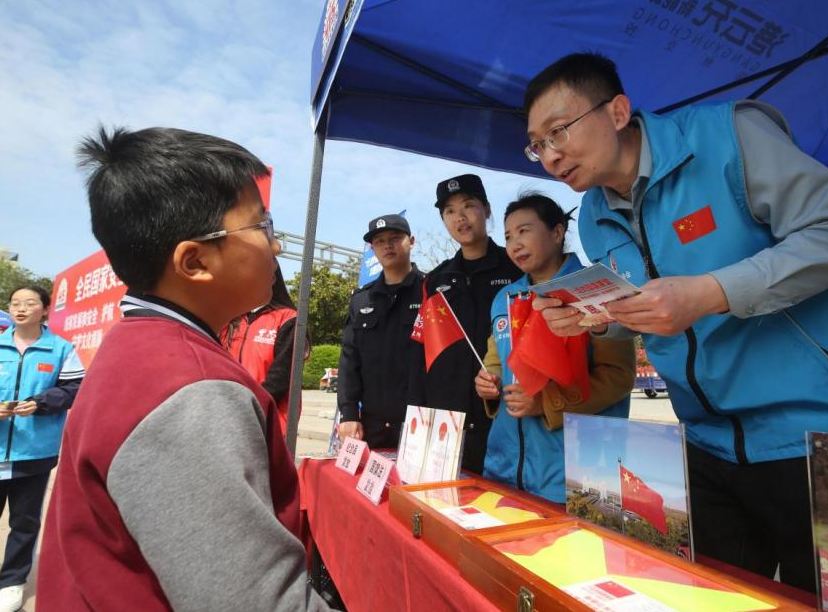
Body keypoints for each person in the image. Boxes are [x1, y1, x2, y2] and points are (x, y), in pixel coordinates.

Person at [524, 53, 828, 592]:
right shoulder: (594, 219)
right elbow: (650, 312)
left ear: (618, 111)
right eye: (537, 144)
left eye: (558, 131)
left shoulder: (729, 136)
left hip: (825, 434)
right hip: (705, 442)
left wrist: (712, 293)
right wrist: (596, 321)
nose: (549, 156)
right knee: (699, 595)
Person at [36, 127, 333, 611]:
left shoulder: (136, 346)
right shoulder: (193, 389)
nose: (275, 248)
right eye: (262, 227)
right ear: (194, 262)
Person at [474, 194, 634, 502]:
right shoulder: (505, 298)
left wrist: (545, 403)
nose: (514, 243)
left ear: (557, 232)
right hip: (504, 468)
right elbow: (495, 358)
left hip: (571, 477)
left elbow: (619, 377)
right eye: (508, 236)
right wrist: (489, 379)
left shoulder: (595, 289)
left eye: (524, 231)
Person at [408, 174, 521, 474]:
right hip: (448, 424)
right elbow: (424, 355)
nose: (460, 217)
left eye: (469, 206)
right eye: (450, 211)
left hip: (504, 418)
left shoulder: (517, 269)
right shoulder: (434, 281)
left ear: (487, 209)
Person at [0, 286, 84, 612]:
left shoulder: (61, 349)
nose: (21, 309)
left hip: (33, 452)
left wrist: (39, 403)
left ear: (45, 310)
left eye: (30, 303)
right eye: (15, 303)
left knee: (24, 520)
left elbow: (75, 388)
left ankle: (11, 582)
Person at [337, 214, 424, 448]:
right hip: (369, 427)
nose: (387, 245)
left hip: (419, 426)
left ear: (411, 241)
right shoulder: (361, 299)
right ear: (372, 247)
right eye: (379, 241)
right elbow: (349, 360)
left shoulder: (431, 292)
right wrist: (348, 413)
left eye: (395, 238)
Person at [222, 267, 302, 436]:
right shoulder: (231, 319)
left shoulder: (289, 318)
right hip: (228, 416)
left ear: (272, 277)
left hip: (268, 420)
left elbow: (281, 377)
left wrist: (249, 407)